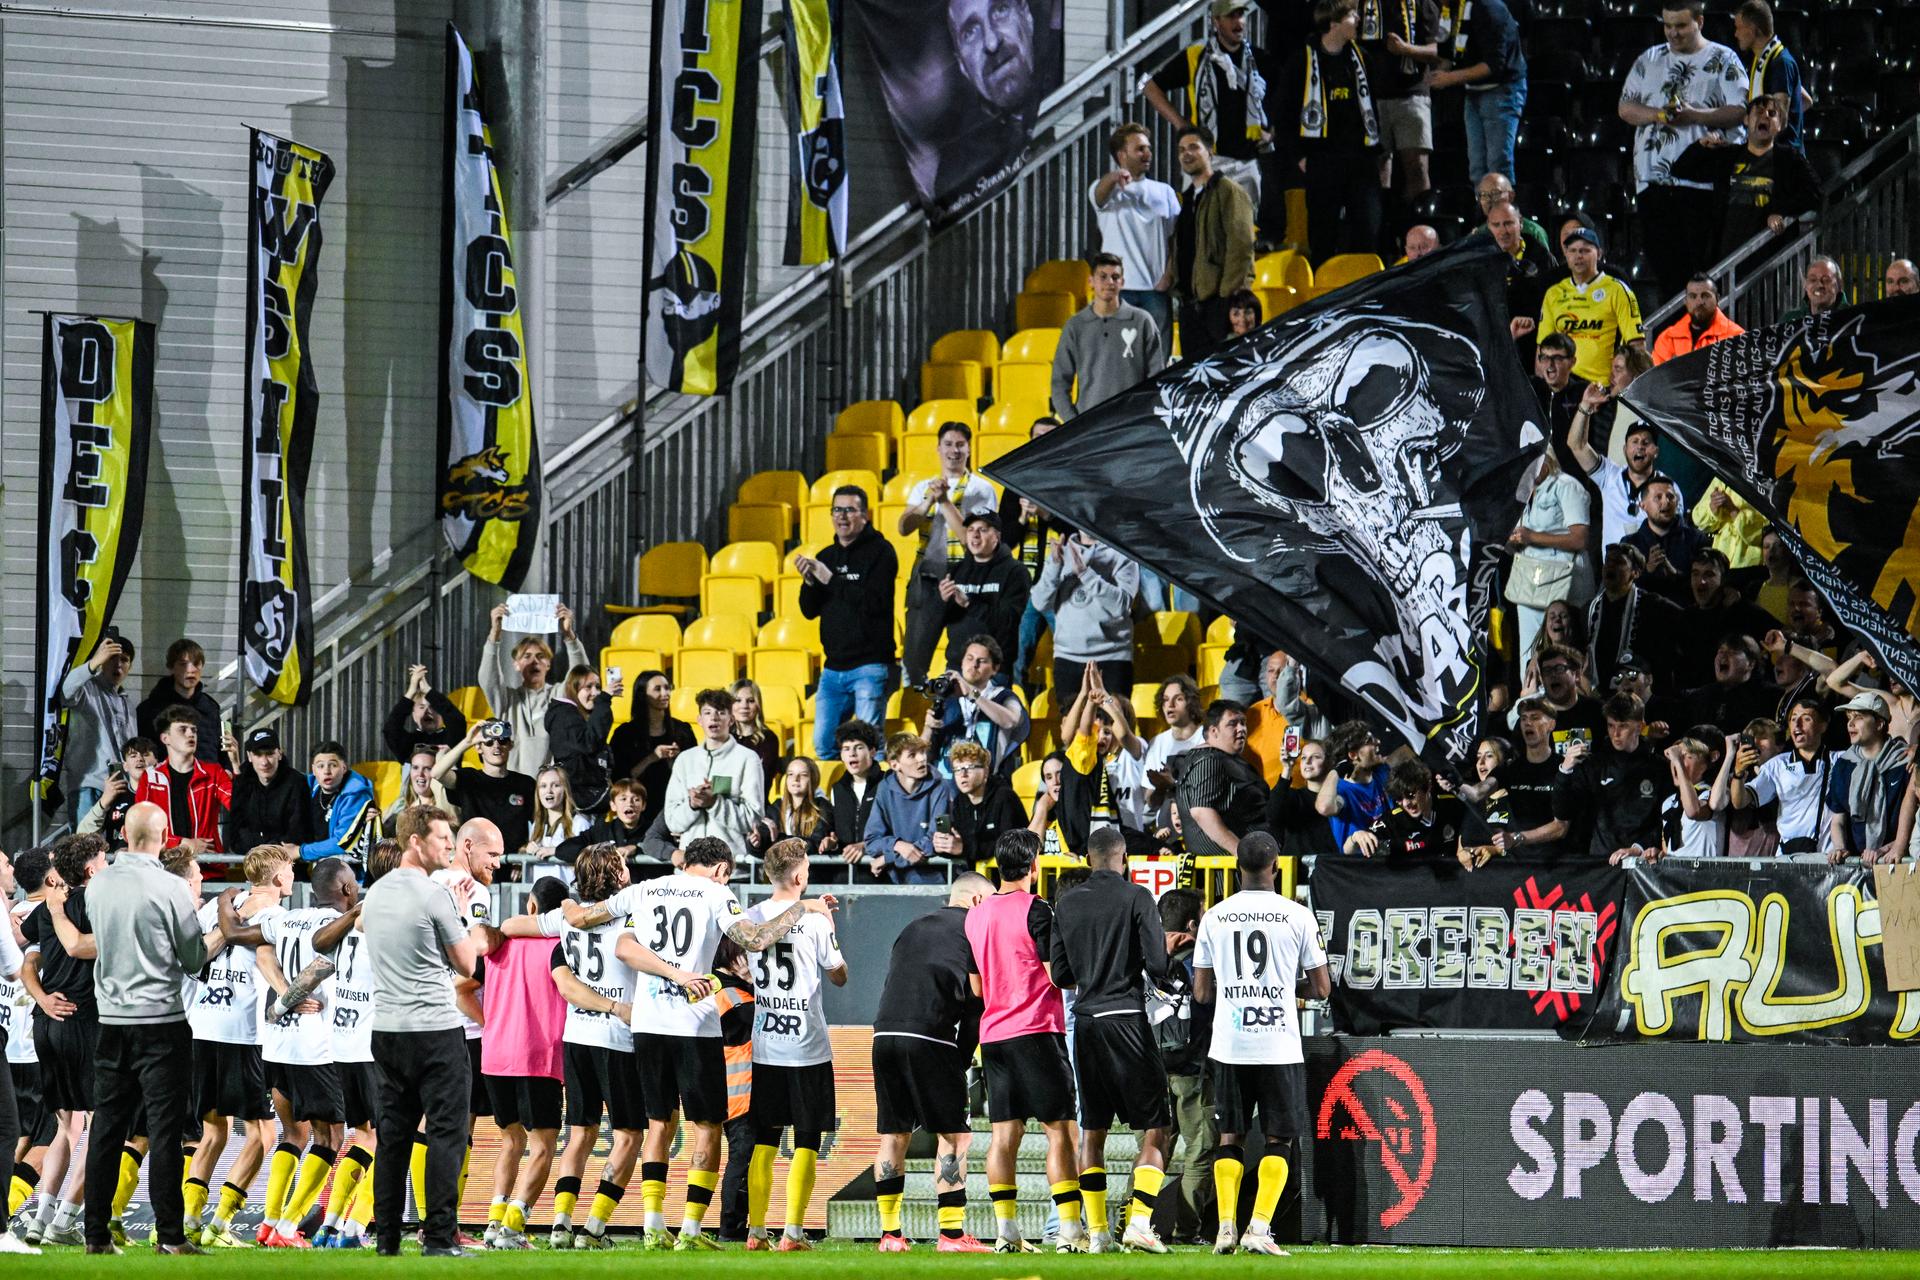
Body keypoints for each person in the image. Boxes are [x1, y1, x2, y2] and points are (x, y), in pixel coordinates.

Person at [554, 836, 834, 1250]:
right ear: (721, 870)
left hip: (646, 1024)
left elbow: (610, 937)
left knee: (658, 1124)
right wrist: (800, 908)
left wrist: (566, 907)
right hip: (694, 1024)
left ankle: (652, 1225)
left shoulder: (644, 890)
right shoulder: (718, 894)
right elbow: (754, 939)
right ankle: (689, 1230)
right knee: (707, 1126)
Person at [78, 803, 231, 1255]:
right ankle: (169, 1237)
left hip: (111, 1023)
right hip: (162, 1022)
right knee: (165, 1132)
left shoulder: (98, 884)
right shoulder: (170, 887)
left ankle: (95, 1236)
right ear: (165, 836)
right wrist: (224, 928)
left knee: (106, 1128)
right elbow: (192, 958)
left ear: (123, 832)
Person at [363, 805, 499, 1257]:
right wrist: (461, 914)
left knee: (394, 1136)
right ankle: (440, 1238)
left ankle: (386, 1240)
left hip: (385, 1030)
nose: (447, 844)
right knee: (446, 1133)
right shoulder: (435, 894)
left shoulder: (376, 893)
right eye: (441, 837)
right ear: (416, 841)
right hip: (435, 1030)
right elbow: (467, 963)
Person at [1193, 831, 1329, 1255]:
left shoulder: (1216, 917)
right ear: (1275, 867)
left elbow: (1201, 993)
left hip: (1230, 1043)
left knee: (1228, 1138)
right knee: (1279, 1140)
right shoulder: (1297, 915)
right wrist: (1285, 987)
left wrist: (1235, 988)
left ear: (1237, 869)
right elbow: (1322, 988)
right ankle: (1259, 1228)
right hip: (1278, 1045)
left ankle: (1226, 1228)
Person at [1046, 825, 1173, 1254]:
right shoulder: (1137, 896)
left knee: (1092, 1133)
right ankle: (1139, 1222)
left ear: (1087, 859)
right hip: (1126, 1019)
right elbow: (1157, 963)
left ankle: (1097, 1232)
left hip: (1085, 1024)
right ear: (1124, 860)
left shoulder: (1066, 903)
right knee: (1157, 1128)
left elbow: (1060, 975)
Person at [965, 830, 1083, 1253]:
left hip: (993, 1037)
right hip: (1036, 1031)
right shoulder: (1038, 910)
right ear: (1034, 866)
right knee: (1061, 1134)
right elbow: (1057, 976)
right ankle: (1069, 1231)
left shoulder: (974, 916)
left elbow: (977, 989)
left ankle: (1006, 1232)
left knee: (1003, 1137)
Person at [869, 871, 993, 1253]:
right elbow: (976, 1004)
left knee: (893, 1135)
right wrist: (961, 1059)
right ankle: (952, 1236)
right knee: (955, 1136)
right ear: (975, 901)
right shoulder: (974, 930)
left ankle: (890, 1236)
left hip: (883, 1034)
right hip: (931, 1036)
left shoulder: (914, 926)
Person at [180, 842, 289, 1250]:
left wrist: (227, 919)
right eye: (291, 870)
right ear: (278, 878)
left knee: (213, 1131)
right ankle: (220, 1222)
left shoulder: (216, 908)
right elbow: (265, 959)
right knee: (263, 1136)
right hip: (244, 1034)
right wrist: (290, 997)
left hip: (202, 1027)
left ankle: (189, 1218)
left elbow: (195, 956)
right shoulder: (277, 916)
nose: (294, 877)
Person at [741, 840, 848, 1251]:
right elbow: (838, 976)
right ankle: (793, 1232)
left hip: (766, 1043)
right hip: (806, 1045)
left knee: (765, 1139)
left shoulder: (752, 918)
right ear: (800, 877)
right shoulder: (817, 921)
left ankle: (755, 1232)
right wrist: (831, 933)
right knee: (806, 1138)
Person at [252, 856, 360, 1248]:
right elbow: (320, 966)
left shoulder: (289, 916)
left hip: (275, 1043)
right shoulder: (342, 927)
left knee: (292, 1132)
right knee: (330, 1135)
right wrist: (290, 997)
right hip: (315, 1046)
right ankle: (288, 1226)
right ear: (347, 889)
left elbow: (258, 945)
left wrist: (281, 995)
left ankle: (269, 1221)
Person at [540, 843, 642, 1249]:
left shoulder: (567, 921)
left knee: (580, 1133)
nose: (628, 868)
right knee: (629, 1134)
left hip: (576, 1036)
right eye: (622, 864)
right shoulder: (632, 917)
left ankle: (560, 1224)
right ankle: (595, 1227)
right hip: (617, 1037)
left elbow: (520, 927)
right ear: (614, 874)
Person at [1619, 2, 1749, 299]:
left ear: (1699, 21)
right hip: (1653, 182)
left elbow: (1741, 110)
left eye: (1680, 26)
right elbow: (1625, 107)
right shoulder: (1649, 58)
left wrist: (1696, 116)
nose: (1672, 33)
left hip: (1701, 186)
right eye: (1667, 26)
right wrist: (1657, 115)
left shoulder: (1723, 57)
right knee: (1666, 276)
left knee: (1701, 276)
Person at [19, 834, 107, 1247]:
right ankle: (65, 1221)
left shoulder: (50, 907)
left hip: (48, 1023)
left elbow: (28, 958)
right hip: (85, 1023)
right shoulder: (100, 904)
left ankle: (40, 1218)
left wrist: (40, 997)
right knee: (105, 1125)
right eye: (105, 857)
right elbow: (79, 948)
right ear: (91, 868)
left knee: (66, 1128)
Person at [476, 876, 569, 1250]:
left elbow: (462, 988)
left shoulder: (501, 945)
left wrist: (490, 1024)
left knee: (510, 1141)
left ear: (531, 906)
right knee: (543, 1145)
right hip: (539, 1056)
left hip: (496, 1056)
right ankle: (513, 1227)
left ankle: (493, 1221)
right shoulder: (561, 946)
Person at [1274, 0, 1383, 264]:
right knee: (1322, 236)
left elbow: (1373, 108)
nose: (1358, 19)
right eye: (1351, 15)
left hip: (1360, 160)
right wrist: (1300, 156)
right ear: (1333, 24)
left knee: (1368, 233)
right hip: (1322, 161)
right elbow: (1284, 113)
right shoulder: (1301, 61)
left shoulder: (1361, 58)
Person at [798, 485, 898, 760]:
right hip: (833, 669)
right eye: (837, 510)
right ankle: (841, 800)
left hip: (870, 664)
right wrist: (809, 582)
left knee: (869, 746)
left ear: (865, 515)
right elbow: (809, 610)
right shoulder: (827, 556)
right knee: (823, 745)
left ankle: (873, 800)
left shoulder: (881, 552)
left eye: (850, 510)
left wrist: (830, 579)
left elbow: (873, 604)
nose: (842, 516)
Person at [899, 425, 999, 687]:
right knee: (914, 657)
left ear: (969, 449)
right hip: (927, 577)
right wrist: (927, 502)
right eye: (948, 444)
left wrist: (944, 501)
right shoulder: (923, 486)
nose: (954, 450)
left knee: (963, 653)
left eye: (960, 445)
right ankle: (918, 711)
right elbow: (903, 527)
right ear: (938, 448)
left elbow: (972, 539)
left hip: (965, 577)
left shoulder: (982, 488)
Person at [1146, 1, 1269, 210]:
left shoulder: (1258, 59)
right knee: (1202, 230)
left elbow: (1281, 97)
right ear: (1216, 21)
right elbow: (1150, 87)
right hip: (1208, 160)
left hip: (1247, 162)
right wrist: (1181, 124)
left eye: (1241, 15)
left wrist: (1271, 130)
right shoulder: (1196, 56)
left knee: (1244, 235)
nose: (1238, 22)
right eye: (1231, 16)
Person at [1671, 95, 1817, 260]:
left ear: (1781, 125)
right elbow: (1680, 170)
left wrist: (1781, 211)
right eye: (1759, 112)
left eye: (1772, 113)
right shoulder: (1729, 156)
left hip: (1767, 256)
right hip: (1726, 254)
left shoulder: (1789, 158)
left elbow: (1814, 193)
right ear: (1747, 120)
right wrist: (1700, 145)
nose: (1765, 116)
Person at [1090, 122, 1180, 357]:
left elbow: (1176, 239)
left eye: (1148, 148)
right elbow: (1099, 195)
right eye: (1140, 149)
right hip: (1119, 292)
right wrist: (1115, 177)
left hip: (1156, 289)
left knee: (1157, 359)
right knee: (1119, 361)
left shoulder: (1165, 192)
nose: (1147, 153)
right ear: (1122, 154)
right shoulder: (1108, 191)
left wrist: (1168, 275)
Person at [1554, 693, 1674, 860]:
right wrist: (1565, 771)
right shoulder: (1594, 765)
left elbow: (1667, 819)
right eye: (1611, 726)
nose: (1616, 734)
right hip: (1602, 863)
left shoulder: (1659, 768)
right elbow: (1563, 812)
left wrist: (1638, 847)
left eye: (1623, 726)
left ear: (1639, 727)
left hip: (1642, 863)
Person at [1170, 125, 1255, 361]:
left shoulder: (1229, 191)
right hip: (1190, 305)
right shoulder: (1186, 199)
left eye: (1193, 147)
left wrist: (1226, 298)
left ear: (1210, 151)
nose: (1186, 154)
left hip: (1218, 305)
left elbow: (1242, 245)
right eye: (1181, 150)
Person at [478, 601, 590, 777]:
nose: (534, 661)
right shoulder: (507, 699)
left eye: (540, 656)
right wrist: (495, 634)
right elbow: (488, 678)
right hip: (513, 785)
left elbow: (581, 676)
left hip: (550, 788)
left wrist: (569, 635)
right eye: (527, 656)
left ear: (548, 664)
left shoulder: (559, 696)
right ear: (516, 665)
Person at [1507, 446, 1594, 661]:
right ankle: (1531, 695)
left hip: (1561, 585)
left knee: (1566, 654)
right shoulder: (1523, 492)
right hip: (1528, 587)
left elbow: (1580, 538)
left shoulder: (1566, 486)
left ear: (1546, 459)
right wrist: (1513, 541)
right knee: (1530, 656)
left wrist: (1531, 537)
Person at [664, 689, 767, 868]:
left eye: (721, 712)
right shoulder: (684, 760)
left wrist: (714, 803)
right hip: (690, 872)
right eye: (708, 712)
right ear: (699, 720)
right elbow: (672, 821)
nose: (714, 718)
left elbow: (754, 819)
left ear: (731, 719)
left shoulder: (748, 759)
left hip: (731, 872)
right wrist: (693, 805)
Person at [1052, 253, 1163, 418]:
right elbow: (1060, 383)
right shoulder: (1075, 326)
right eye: (1103, 277)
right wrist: (1074, 423)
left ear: (1122, 282)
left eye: (1115, 277)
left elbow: (1157, 379)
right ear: (1091, 282)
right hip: (1090, 424)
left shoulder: (1142, 321)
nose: (1109, 282)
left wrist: (1143, 418)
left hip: (1131, 422)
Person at [1427, 0, 1526, 186]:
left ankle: (1503, 214)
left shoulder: (1488, 7)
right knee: (1477, 168)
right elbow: (1454, 53)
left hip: (1501, 91)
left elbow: (1493, 65)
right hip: (1473, 92)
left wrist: (1449, 78)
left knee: (1498, 165)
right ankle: (1484, 212)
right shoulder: (1455, 9)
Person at [1033, 529, 1140, 695]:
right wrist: (1054, 566)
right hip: (1068, 659)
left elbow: (1122, 606)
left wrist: (1085, 574)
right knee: (1070, 721)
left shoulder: (1122, 554)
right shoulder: (1062, 552)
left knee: (1113, 720)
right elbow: (1040, 603)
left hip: (1112, 659)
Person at [999, 417, 1063, 691]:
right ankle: (1016, 709)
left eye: (1050, 435)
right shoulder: (1014, 482)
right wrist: (1024, 517)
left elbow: (1077, 530)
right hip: (1025, 585)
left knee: (1068, 653)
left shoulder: (1069, 478)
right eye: (1038, 436)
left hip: (1061, 586)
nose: (1042, 441)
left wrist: (1045, 513)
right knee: (1016, 656)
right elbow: (1004, 541)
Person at [1540, 227, 1645, 391]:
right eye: (1573, 250)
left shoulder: (1617, 289)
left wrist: (1622, 380)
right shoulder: (1553, 294)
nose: (1578, 256)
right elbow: (1542, 347)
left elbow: (1636, 344)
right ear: (1566, 255)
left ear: (1599, 253)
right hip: (1564, 390)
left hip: (1602, 388)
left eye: (1585, 250)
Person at [1569, 389, 1673, 556]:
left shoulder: (1669, 491)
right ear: (1625, 449)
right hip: (1614, 576)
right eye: (1635, 441)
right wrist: (1585, 406)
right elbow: (1577, 445)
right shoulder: (1609, 475)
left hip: (1648, 578)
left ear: (1656, 451)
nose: (1640, 446)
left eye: (1646, 442)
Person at [1730, 698, 1834, 859]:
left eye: (1806, 718)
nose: (1797, 724)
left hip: (1827, 858)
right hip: (1788, 857)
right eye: (1793, 719)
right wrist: (1738, 773)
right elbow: (1740, 801)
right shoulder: (1777, 765)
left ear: (1823, 725)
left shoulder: (1840, 760)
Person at [59, 631, 137, 827]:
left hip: (121, 786)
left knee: (114, 850)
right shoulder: (87, 689)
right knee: (84, 849)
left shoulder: (128, 703)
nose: (118, 664)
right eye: (112, 658)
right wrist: (92, 663)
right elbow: (66, 692)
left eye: (124, 660)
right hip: (89, 784)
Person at [926, 637, 1030, 781]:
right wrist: (928, 728)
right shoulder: (947, 700)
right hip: (947, 784)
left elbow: (1011, 721)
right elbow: (926, 753)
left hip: (989, 783)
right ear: (962, 662)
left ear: (995, 668)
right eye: (969, 658)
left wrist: (972, 694)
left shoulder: (1005, 696)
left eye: (982, 661)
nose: (974, 665)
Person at [1177, 700, 1271, 857]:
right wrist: (1244, 855)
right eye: (1233, 724)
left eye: (1243, 723)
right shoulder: (1208, 760)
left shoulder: (1233, 760)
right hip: (1225, 873)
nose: (1241, 729)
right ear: (1214, 731)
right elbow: (1202, 811)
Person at [863, 733, 960, 885]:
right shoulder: (884, 789)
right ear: (895, 764)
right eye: (912, 755)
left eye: (922, 752)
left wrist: (888, 858)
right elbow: (872, 841)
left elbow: (938, 840)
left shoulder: (942, 787)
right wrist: (897, 845)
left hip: (936, 881)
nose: (922, 758)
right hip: (895, 883)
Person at [135, 704, 232, 854]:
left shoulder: (214, 773)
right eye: (182, 729)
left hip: (208, 867)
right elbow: (142, 827)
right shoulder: (151, 778)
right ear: (165, 738)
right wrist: (182, 843)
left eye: (194, 730)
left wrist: (237, 766)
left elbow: (238, 806)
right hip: (166, 868)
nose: (190, 734)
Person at [1586, 544, 1684, 692]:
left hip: (1638, 695)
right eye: (1608, 561)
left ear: (1636, 573)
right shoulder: (1589, 610)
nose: (1611, 566)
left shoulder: (1653, 604)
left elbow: (1687, 620)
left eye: (1619, 562)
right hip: (1597, 695)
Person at [940, 515, 1031, 675]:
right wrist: (943, 601)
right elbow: (944, 619)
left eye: (982, 530)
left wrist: (970, 604)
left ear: (997, 536)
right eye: (971, 530)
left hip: (993, 670)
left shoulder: (1015, 572)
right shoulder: (956, 570)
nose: (975, 535)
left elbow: (1008, 621)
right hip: (957, 666)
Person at [1826, 692, 1909, 863]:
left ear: (1879, 723)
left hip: (1897, 861)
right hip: (1856, 864)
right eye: (1849, 717)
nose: (1850, 723)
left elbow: (1913, 821)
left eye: (1859, 717)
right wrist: (1840, 847)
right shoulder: (1843, 764)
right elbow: (1838, 819)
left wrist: (1886, 849)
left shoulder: (1904, 762)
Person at [432, 718, 538, 852]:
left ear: (510, 745)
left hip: (514, 867)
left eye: (502, 740)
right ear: (478, 747)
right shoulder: (468, 779)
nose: (496, 746)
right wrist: (467, 742)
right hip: (476, 866)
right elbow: (437, 773)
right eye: (488, 742)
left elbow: (539, 822)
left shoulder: (525, 783)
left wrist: (525, 850)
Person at [608, 670, 694, 835]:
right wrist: (653, 758)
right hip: (639, 814)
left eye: (667, 688)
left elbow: (692, 774)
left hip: (675, 811)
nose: (665, 693)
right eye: (657, 689)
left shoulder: (683, 730)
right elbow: (620, 780)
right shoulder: (625, 734)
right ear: (642, 695)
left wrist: (674, 762)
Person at [224, 727, 320, 855]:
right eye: (258, 754)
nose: (264, 762)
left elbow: (298, 835)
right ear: (249, 756)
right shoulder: (244, 784)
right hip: (256, 866)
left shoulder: (297, 783)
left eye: (269, 753)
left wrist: (258, 845)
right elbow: (235, 837)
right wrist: (270, 845)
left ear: (279, 754)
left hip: (290, 867)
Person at [1345, 760, 1463, 859]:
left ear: (1427, 787)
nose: (1406, 803)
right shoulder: (1393, 820)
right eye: (1399, 798)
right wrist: (1355, 837)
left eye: (1411, 795)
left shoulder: (1452, 805)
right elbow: (1348, 850)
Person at [1243, 650, 1326, 789]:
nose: (1275, 676)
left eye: (1281, 671)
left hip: (1299, 798)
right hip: (1260, 799)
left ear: (1295, 675)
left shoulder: (1311, 710)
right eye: (1270, 671)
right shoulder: (1253, 712)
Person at [134, 638, 225, 766]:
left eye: (196, 663)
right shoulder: (150, 708)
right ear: (172, 667)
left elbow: (222, 750)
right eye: (183, 664)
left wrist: (227, 770)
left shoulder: (210, 707)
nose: (191, 670)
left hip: (207, 781)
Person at [1623, 474, 1711, 604]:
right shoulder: (1630, 544)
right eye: (1658, 497)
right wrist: (1647, 571)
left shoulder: (1697, 539)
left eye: (1670, 496)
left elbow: (1708, 584)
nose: (1666, 502)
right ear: (1643, 506)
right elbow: (1621, 587)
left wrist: (1675, 574)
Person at [1732, 0, 1806, 151]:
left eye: (1739, 28)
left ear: (1753, 29)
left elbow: (1778, 122)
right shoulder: (1767, 59)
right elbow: (1806, 100)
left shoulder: (1780, 63)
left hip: (1783, 159)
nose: (1736, 34)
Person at [545, 665, 617, 815]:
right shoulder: (564, 715)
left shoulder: (580, 716)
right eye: (588, 687)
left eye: (598, 687)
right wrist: (604, 700)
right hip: (577, 806)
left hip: (587, 802)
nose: (595, 692)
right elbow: (589, 743)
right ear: (573, 689)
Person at [944, 740, 1028, 864]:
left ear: (985, 771)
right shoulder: (959, 802)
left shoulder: (1004, 797)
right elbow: (958, 843)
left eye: (969, 768)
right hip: (976, 877)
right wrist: (943, 846)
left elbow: (1009, 846)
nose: (963, 774)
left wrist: (965, 848)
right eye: (957, 769)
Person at [1315, 718, 1391, 850]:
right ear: (1353, 755)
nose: (1377, 742)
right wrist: (1335, 771)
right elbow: (1324, 807)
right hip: (1360, 867)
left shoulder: (1382, 771)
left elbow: (1410, 751)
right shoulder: (1341, 790)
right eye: (1369, 741)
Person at [301, 742, 382, 864]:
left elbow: (342, 842)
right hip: (315, 862)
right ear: (313, 770)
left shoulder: (355, 795)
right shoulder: (311, 786)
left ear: (344, 768)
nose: (327, 771)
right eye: (320, 766)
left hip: (345, 871)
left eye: (333, 765)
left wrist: (301, 851)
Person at [1489, 201, 1553, 357]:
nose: (1503, 231)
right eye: (1496, 225)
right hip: (1494, 341)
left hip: (1533, 338)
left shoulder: (1542, 258)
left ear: (1521, 223)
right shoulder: (1480, 261)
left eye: (1508, 223)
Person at [826, 722, 887, 879]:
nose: (852, 754)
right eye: (846, 749)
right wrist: (831, 843)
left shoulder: (887, 783)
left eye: (859, 747)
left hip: (879, 872)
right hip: (843, 875)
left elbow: (897, 829)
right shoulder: (837, 789)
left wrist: (866, 846)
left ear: (872, 751)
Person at [74, 736, 157, 849]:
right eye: (133, 756)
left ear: (156, 763)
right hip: (117, 864)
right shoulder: (114, 796)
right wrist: (103, 802)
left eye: (145, 754)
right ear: (125, 766)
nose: (140, 759)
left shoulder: (167, 795)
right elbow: (82, 835)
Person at [1144, 675, 1205, 821]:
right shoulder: (1157, 742)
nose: (1170, 705)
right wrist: (1160, 787)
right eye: (1165, 700)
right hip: (1166, 828)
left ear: (1191, 703)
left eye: (1178, 699)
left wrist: (1173, 785)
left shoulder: (1207, 738)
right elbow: (1151, 803)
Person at [380, 664, 467, 764]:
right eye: (421, 707)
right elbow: (390, 729)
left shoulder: (452, 739)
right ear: (413, 714)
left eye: (433, 707)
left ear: (442, 713)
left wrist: (427, 690)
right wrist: (411, 691)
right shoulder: (408, 743)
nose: (427, 711)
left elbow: (457, 720)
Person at [1264, 739, 1338, 856]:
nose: (1308, 761)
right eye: (1303, 757)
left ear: (1329, 762)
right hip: (1299, 870)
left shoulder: (1340, 798)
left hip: (1331, 868)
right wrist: (1287, 768)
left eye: (1315, 757)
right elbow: (1272, 815)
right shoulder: (1294, 797)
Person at [1652, 275, 1745, 365]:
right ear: (1686, 301)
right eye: (1693, 296)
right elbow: (1656, 378)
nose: (1699, 302)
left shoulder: (1736, 337)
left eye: (1705, 296)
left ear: (1717, 299)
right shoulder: (1667, 339)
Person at [1659, 737, 1727, 858]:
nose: (1675, 762)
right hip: (1674, 875)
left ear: (1704, 765)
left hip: (1703, 874)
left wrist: (1678, 762)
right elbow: (1667, 850)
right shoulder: (1669, 803)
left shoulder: (1710, 794)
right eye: (1674, 758)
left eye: (1685, 756)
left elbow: (1693, 811)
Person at [527, 765, 593, 864]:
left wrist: (556, 851)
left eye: (556, 785)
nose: (549, 791)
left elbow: (590, 859)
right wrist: (526, 850)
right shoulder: (536, 826)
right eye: (543, 786)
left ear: (565, 790)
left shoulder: (579, 823)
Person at [768, 758, 832, 853]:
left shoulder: (822, 807)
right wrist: (755, 843)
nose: (795, 779)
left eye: (803, 775)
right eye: (791, 774)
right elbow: (763, 843)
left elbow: (814, 844)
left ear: (813, 779)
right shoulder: (777, 806)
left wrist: (778, 839)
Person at [728, 680, 783, 786]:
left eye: (751, 701)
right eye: (738, 700)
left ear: (758, 706)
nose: (744, 706)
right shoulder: (723, 736)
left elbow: (764, 779)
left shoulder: (769, 739)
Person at [1780, 254, 1846, 325]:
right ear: (1805, 285)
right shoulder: (1789, 320)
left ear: (1839, 285)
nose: (1819, 285)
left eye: (1826, 280)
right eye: (1813, 280)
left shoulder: (1853, 318)